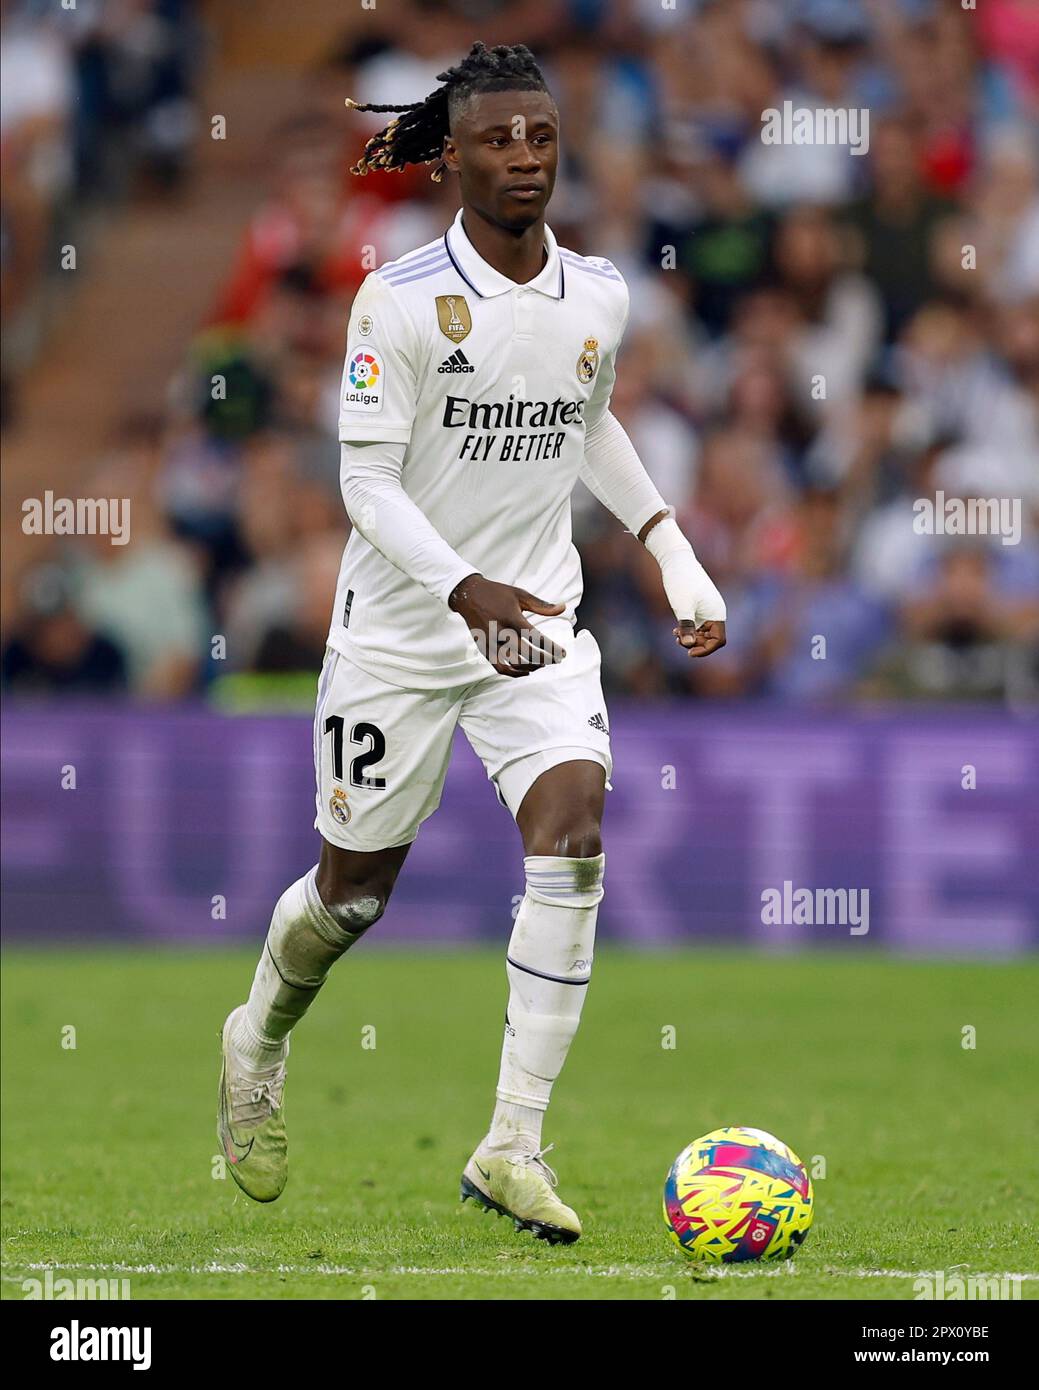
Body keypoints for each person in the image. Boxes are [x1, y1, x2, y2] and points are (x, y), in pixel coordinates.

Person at [217, 41, 726, 1245]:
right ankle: (256, 1035)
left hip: (537, 623)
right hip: (401, 637)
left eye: (542, 138)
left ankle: (512, 1144)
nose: (525, 159)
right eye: (499, 139)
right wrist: (461, 589)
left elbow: (588, 418)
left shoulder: (599, 290)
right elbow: (365, 485)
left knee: (576, 835)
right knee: (349, 903)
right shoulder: (394, 300)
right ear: (451, 156)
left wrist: (667, 546)